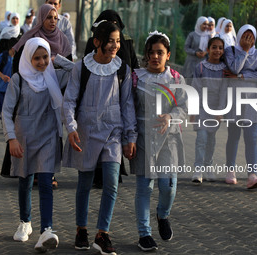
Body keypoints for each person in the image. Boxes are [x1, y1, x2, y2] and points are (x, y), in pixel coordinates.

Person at [62, 21, 137, 255]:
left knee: (111, 183)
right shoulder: (80, 68)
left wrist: (130, 136)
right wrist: (71, 127)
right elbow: (69, 100)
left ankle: (102, 233)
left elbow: (127, 105)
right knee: (84, 184)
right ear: (97, 42)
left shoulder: (122, 69)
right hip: (86, 131)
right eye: (111, 41)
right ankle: (81, 230)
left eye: (118, 41)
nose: (116, 45)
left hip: (113, 132)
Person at [2, 37, 74, 252]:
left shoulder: (55, 76)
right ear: (28, 58)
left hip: (49, 136)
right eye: (37, 58)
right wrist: (11, 138)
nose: (42, 62)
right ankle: (25, 222)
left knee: (45, 182)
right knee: (25, 180)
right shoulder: (18, 79)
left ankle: (46, 230)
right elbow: (6, 112)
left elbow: (77, 71)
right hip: (24, 138)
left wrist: (58, 59)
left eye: (45, 57)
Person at [130, 31, 187, 251]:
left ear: (168, 55)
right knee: (144, 187)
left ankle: (162, 215)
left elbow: (183, 106)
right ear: (146, 55)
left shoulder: (175, 79)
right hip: (144, 139)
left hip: (169, 139)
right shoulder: (136, 78)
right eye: (151, 52)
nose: (155, 56)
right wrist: (130, 137)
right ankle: (144, 234)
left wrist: (171, 116)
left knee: (168, 186)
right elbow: (129, 108)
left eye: (160, 53)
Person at [84, 9, 140, 189]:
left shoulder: (126, 42)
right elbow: (86, 64)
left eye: (114, 23)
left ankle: (113, 173)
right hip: (96, 99)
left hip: (120, 94)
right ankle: (96, 174)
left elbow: (134, 66)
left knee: (115, 138)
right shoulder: (94, 43)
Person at [223, 24, 257, 189]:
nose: (248, 40)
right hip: (234, 100)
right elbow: (233, 67)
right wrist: (245, 52)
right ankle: (230, 170)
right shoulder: (231, 51)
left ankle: (252, 175)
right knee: (233, 136)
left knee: (252, 138)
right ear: (239, 36)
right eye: (245, 36)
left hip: (253, 101)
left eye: (251, 37)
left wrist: (240, 76)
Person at [190, 37, 228, 183]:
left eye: (220, 48)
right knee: (201, 138)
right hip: (201, 108)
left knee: (211, 140)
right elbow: (195, 88)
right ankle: (198, 169)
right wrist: (193, 109)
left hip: (216, 109)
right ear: (208, 49)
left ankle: (208, 167)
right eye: (214, 47)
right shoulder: (200, 67)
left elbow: (224, 91)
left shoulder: (224, 70)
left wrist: (220, 110)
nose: (217, 50)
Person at [11, 4, 71, 73]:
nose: (53, 21)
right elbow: (18, 63)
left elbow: (69, 64)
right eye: (49, 17)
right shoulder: (32, 37)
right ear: (41, 18)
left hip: (58, 81)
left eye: (55, 18)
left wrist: (57, 61)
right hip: (32, 79)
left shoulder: (62, 39)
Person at [0, 37, 18, 116]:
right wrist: (2, 76)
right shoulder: (3, 56)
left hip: (13, 88)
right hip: (3, 87)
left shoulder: (18, 58)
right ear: (12, 47)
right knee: (3, 107)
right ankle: (3, 122)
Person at [183, 16, 210, 81]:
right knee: (190, 82)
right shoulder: (192, 35)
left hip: (203, 63)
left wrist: (206, 52)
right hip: (191, 62)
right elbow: (186, 48)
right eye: (204, 24)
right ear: (199, 24)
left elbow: (210, 49)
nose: (206, 26)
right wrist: (195, 53)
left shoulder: (208, 37)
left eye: (207, 24)